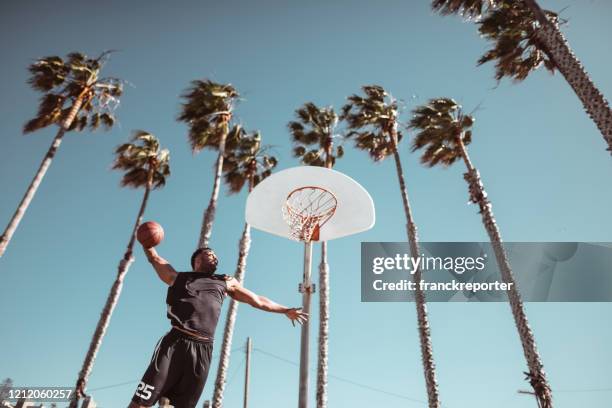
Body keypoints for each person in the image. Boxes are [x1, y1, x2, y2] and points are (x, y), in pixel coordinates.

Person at [128, 245, 307, 408]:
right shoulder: (179, 277)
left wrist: (285, 310)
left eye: (215, 255)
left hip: (203, 350)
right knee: (141, 403)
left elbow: (257, 300)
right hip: (175, 343)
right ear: (196, 260)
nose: (214, 256)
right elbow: (156, 259)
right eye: (209, 253)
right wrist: (147, 244)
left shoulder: (225, 282)